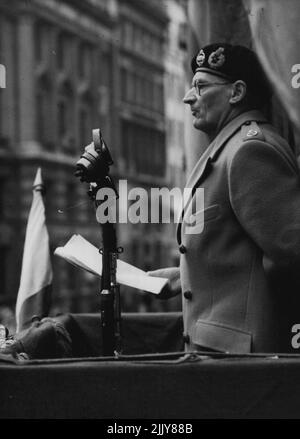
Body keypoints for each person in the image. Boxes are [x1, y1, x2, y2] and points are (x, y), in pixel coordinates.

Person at [149, 43, 300, 354]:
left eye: (201, 86)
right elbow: (240, 252)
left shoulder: (249, 151)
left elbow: (290, 255)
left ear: (236, 92)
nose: (188, 97)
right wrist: (186, 275)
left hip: (245, 358)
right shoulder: (228, 148)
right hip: (226, 354)